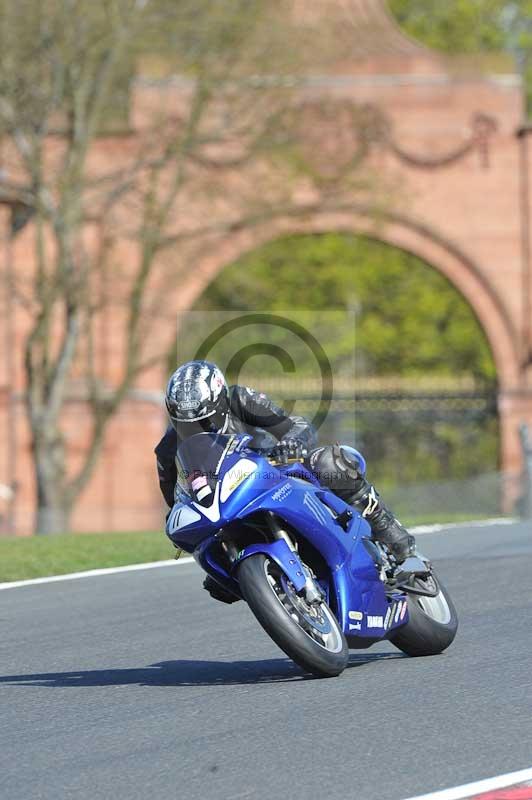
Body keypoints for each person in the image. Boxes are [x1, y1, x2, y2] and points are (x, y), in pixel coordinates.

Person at [155, 360, 415, 603]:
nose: (197, 428)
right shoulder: (169, 446)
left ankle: (387, 530)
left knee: (330, 464)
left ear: (219, 402)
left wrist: (291, 443)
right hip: (230, 499)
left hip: (275, 472)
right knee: (214, 569)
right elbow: (172, 491)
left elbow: (296, 426)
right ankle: (258, 581)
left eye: (203, 420)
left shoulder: (241, 399)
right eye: (186, 423)